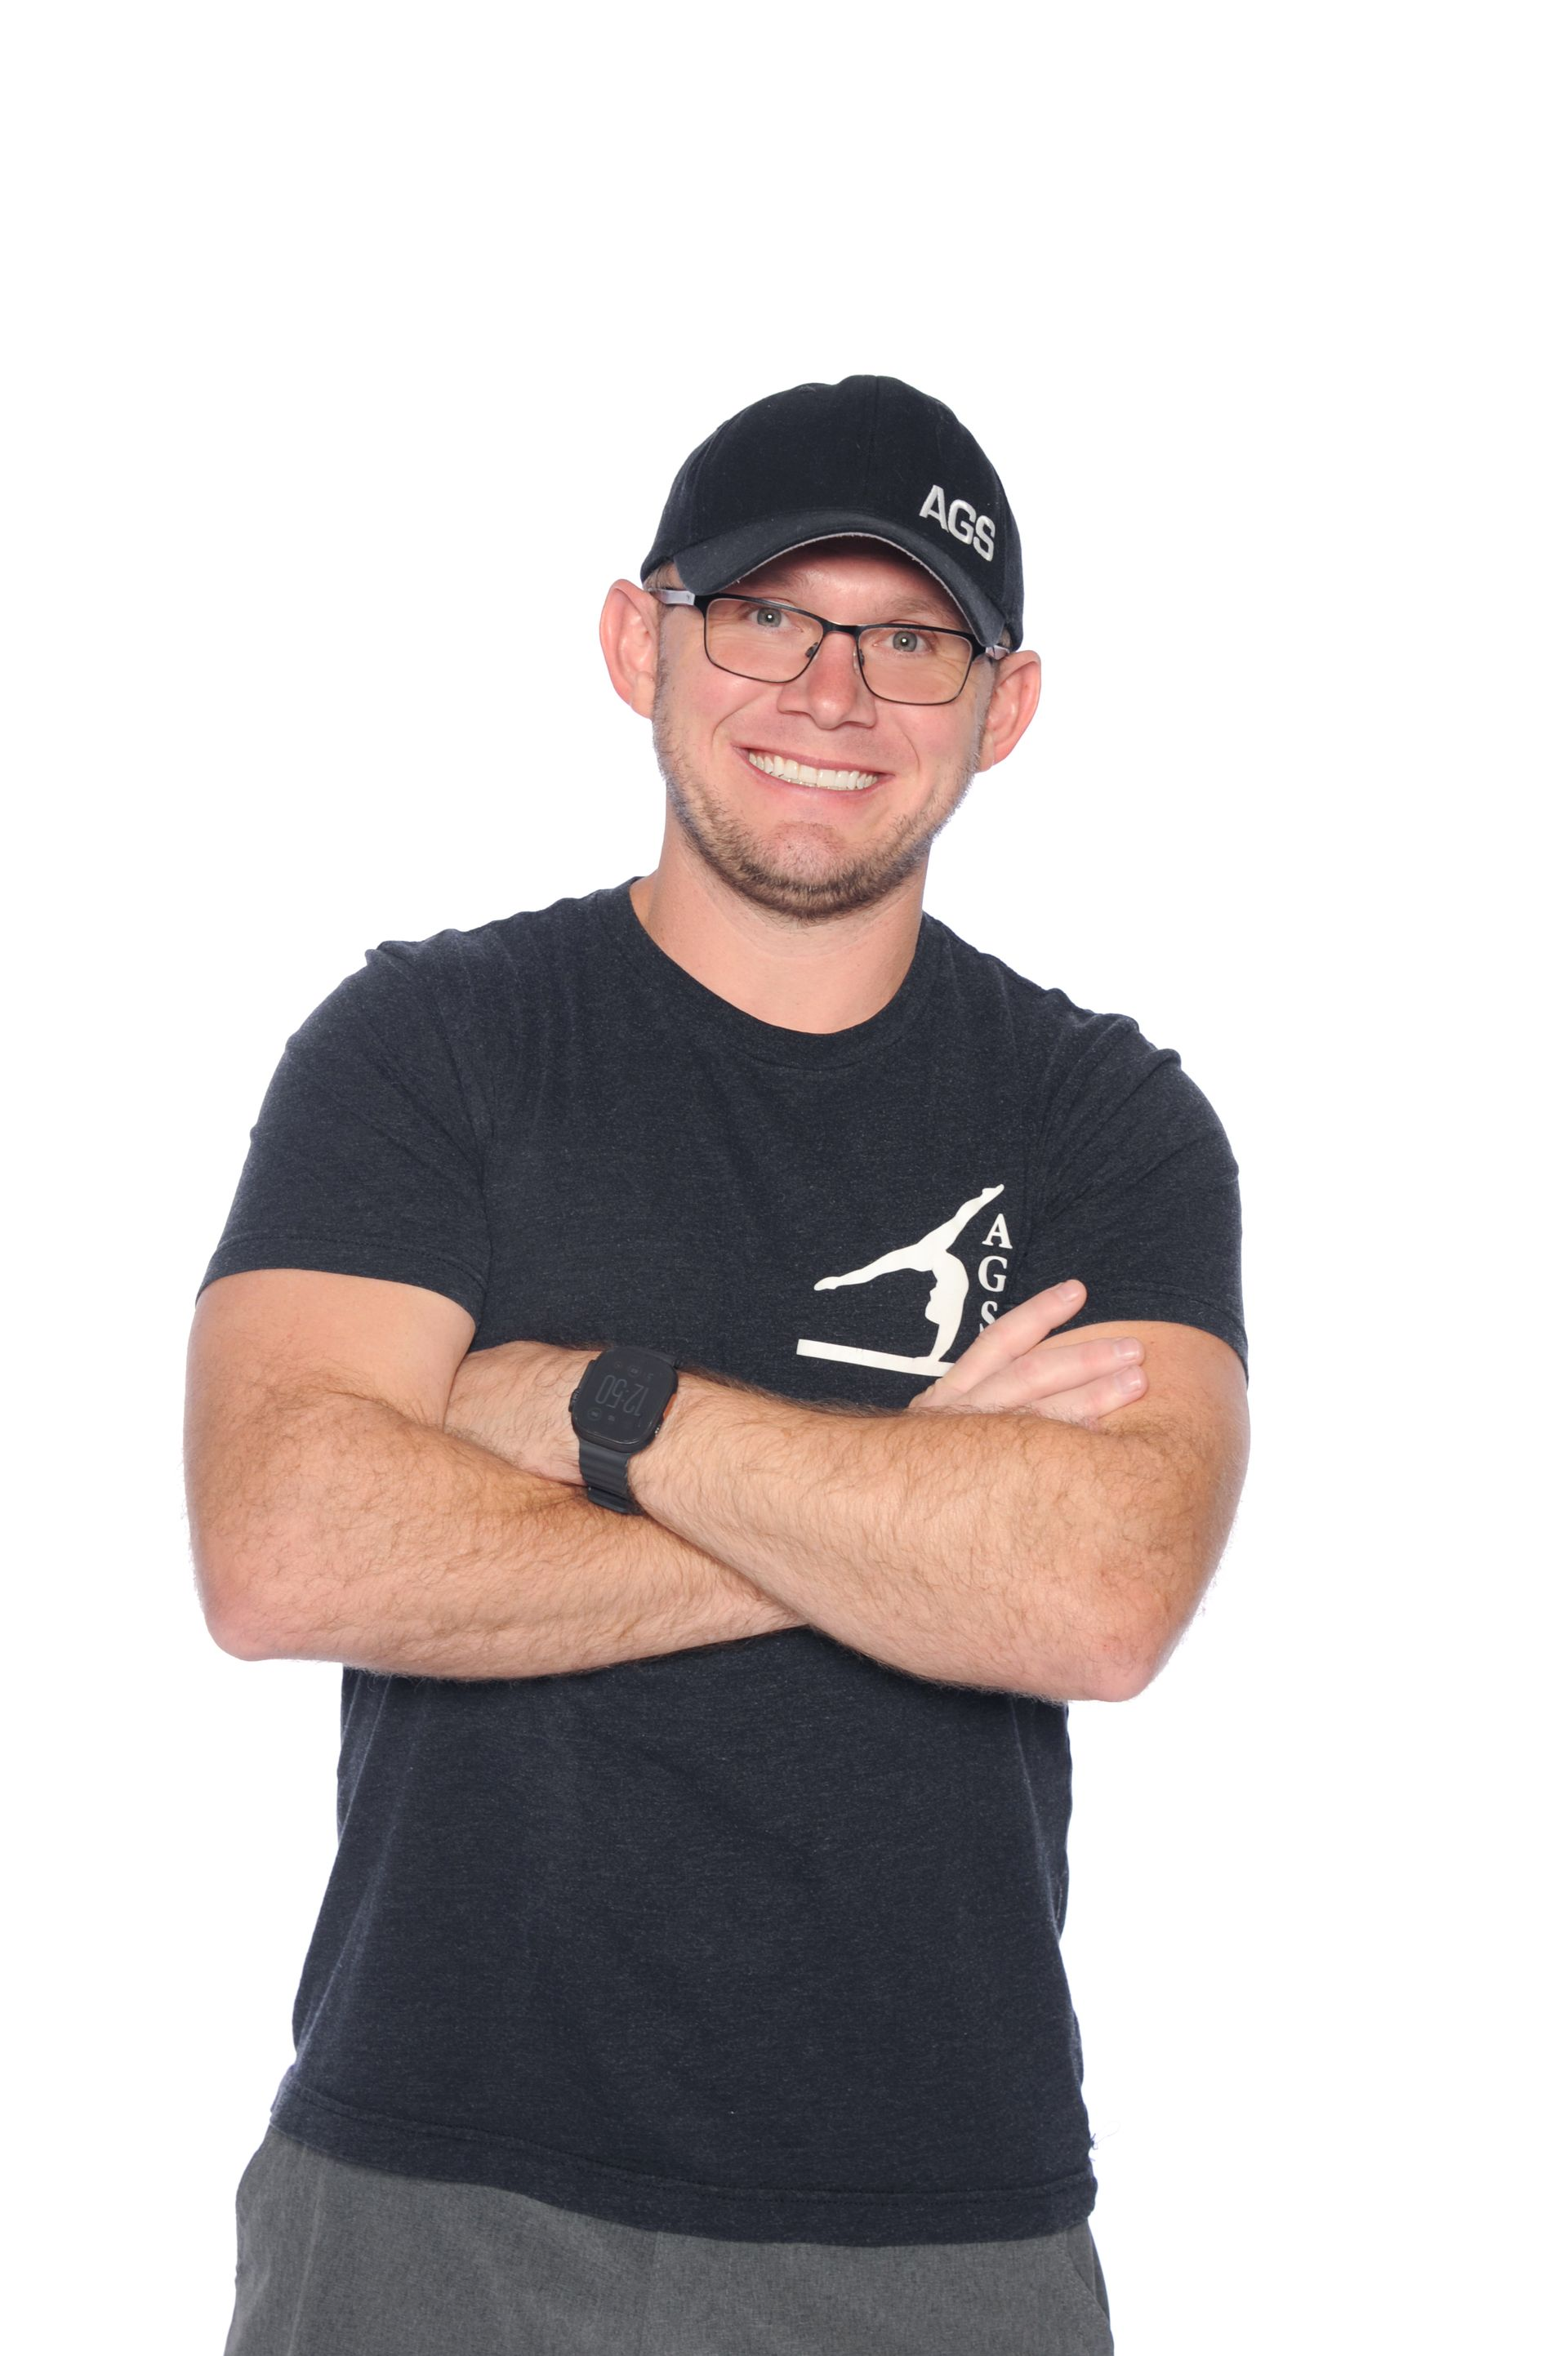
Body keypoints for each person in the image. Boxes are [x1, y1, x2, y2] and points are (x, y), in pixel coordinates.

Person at [187, 373, 1250, 2356]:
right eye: (767, 614)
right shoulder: (429, 1048)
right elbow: (283, 1545)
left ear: (1005, 705)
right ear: (639, 643)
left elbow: (1100, 1593)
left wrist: (603, 1409)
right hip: (425, 2198)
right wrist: (913, 1501)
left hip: (939, 2232)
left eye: (911, 639)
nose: (833, 691)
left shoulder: (1105, 1122)